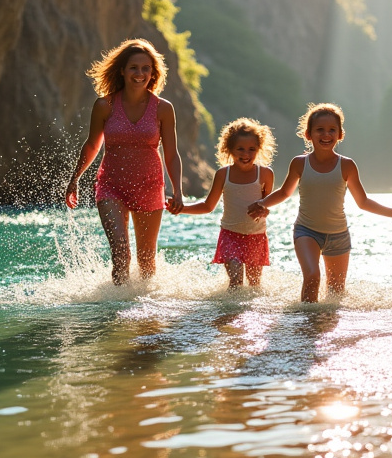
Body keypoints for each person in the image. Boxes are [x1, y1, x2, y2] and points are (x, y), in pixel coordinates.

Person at [247, 103, 392, 303]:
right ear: (308, 134)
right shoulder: (299, 163)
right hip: (306, 232)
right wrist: (262, 203)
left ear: (340, 134)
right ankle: (306, 328)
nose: (326, 134)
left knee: (335, 295)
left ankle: (325, 330)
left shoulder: (347, 165)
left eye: (331, 130)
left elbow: (362, 202)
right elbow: (285, 192)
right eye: (320, 130)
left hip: (339, 236)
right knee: (312, 277)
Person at [65, 38, 184, 285]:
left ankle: (143, 316)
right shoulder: (104, 106)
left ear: (153, 73)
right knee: (120, 254)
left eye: (145, 68)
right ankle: (115, 316)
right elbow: (92, 145)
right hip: (111, 186)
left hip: (150, 186)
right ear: (122, 70)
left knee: (146, 261)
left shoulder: (163, 108)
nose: (140, 73)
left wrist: (178, 191)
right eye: (133, 67)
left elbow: (171, 154)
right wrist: (75, 179)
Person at [178, 118, 277, 287]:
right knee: (236, 282)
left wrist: (264, 211)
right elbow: (208, 206)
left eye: (251, 149)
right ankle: (230, 313)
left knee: (254, 286)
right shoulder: (224, 175)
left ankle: (253, 313)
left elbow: (266, 205)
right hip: (230, 235)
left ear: (259, 149)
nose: (246, 154)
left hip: (256, 236)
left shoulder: (266, 174)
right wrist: (181, 209)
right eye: (240, 149)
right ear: (229, 149)